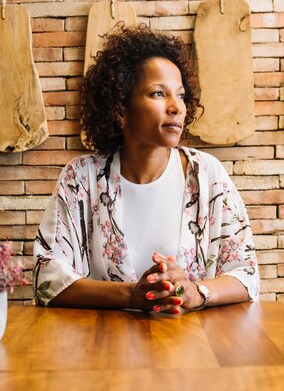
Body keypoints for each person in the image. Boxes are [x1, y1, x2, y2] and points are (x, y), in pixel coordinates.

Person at [32, 25, 259, 314]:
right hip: (101, 347)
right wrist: (130, 295)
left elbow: (246, 275)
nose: (177, 107)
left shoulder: (206, 175)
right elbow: (47, 280)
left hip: (197, 349)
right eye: (158, 94)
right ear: (120, 109)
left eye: (180, 95)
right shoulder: (81, 179)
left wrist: (195, 291)